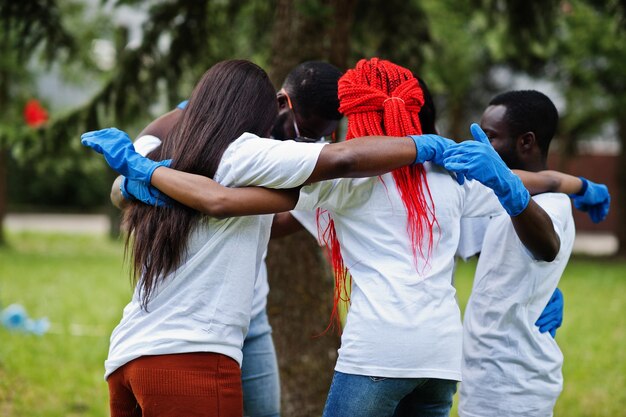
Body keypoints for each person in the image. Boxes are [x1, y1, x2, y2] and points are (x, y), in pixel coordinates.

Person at [103, 58, 564, 417]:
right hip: (441, 361)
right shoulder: (454, 179)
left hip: (377, 355)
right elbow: (541, 215)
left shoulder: (337, 182)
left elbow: (238, 200)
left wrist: (148, 178)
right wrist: (550, 185)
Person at [109, 61, 343, 417]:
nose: (304, 141)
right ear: (278, 104)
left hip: (154, 340)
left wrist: (299, 197)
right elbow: (214, 201)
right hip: (195, 340)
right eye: (304, 130)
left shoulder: (209, 154)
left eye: (317, 138)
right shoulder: (242, 150)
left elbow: (227, 205)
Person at [443, 90, 610, 417]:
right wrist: (537, 288)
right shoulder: (492, 202)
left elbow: (547, 245)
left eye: (490, 137)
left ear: (526, 142)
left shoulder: (552, 205)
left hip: (516, 383)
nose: (482, 147)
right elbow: (486, 251)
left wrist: (511, 190)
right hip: (483, 378)